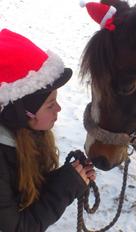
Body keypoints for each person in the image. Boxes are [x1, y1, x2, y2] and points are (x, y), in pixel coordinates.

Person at [0, 28, 96, 232]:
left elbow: (20, 193)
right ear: (22, 113)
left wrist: (69, 178)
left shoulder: (24, 135)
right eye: (50, 104)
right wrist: (64, 189)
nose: (58, 109)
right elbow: (16, 227)